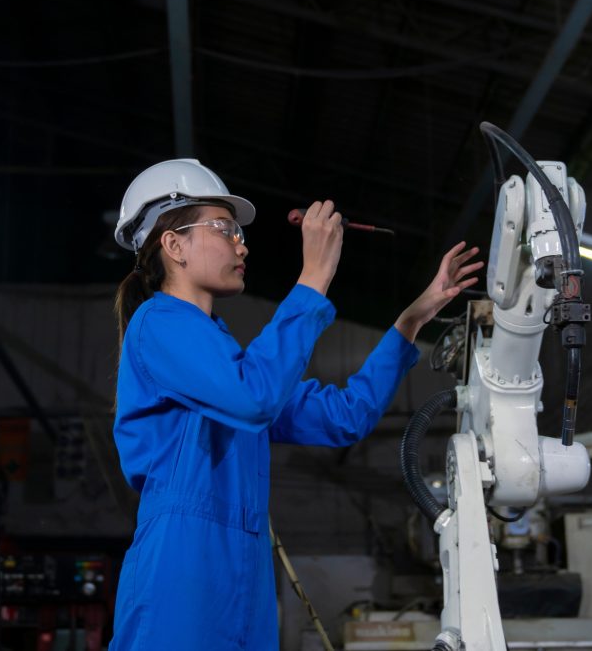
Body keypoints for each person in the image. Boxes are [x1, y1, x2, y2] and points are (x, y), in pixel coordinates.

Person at [109, 159, 481, 650]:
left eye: (239, 232)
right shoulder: (157, 324)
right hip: (181, 569)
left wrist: (410, 321)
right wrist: (313, 277)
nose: (241, 243)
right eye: (224, 228)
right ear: (173, 245)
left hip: (244, 575)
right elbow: (253, 397)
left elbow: (347, 416)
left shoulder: (231, 364)